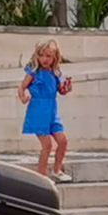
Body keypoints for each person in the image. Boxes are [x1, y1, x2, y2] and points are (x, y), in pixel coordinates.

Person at [19, 41, 73, 180]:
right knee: (47, 145)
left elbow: (61, 90)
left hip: (51, 111)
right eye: (41, 55)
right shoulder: (33, 72)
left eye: (48, 56)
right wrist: (24, 97)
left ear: (55, 57)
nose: (44, 59)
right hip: (37, 111)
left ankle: (57, 170)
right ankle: (42, 176)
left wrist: (66, 88)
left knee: (62, 141)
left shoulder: (55, 73)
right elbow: (22, 87)